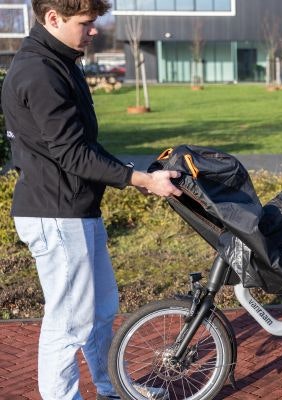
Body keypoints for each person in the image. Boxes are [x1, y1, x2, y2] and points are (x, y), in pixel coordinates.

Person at [0, 0, 182, 399]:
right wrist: (142, 181)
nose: (94, 30)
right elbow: (72, 154)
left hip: (76, 210)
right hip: (57, 214)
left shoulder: (60, 62)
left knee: (100, 312)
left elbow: (85, 146)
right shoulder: (40, 72)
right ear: (53, 18)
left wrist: (141, 177)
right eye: (86, 22)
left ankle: (112, 387)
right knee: (68, 324)